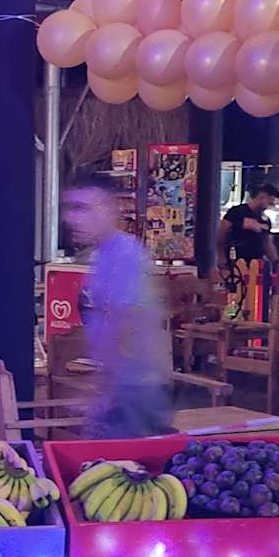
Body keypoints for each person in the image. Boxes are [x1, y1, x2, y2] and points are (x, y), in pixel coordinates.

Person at [62, 169, 173, 436]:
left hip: (133, 390)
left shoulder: (123, 255)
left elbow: (126, 320)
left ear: (111, 208)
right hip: (125, 387)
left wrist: (102, 389)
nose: (71, 219)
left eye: (82, 208)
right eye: (70, 208)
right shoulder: (104, 254)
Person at [220, 181, 279, 267]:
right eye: (269, 203)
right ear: (262, 197)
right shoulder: (237, 212)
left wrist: (276, 261)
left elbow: (267, 243)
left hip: (257, 263)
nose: (269, 207)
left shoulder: (265, 219)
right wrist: (221, 259)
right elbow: (221, 234)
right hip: (235, 260)